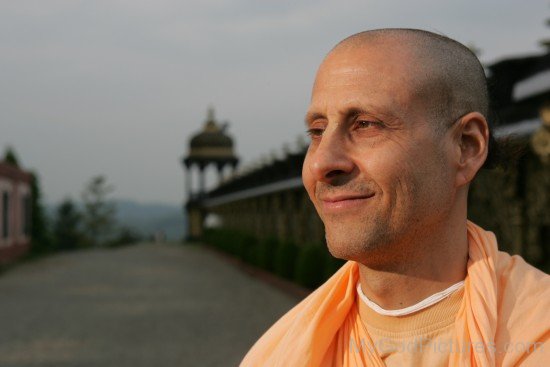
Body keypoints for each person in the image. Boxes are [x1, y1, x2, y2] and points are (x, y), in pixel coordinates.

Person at [241, 29, 550, 366]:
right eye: (317, 131)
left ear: (466, 146)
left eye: (365, 124)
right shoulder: (281, 352)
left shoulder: (536, 333)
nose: (321, 162)